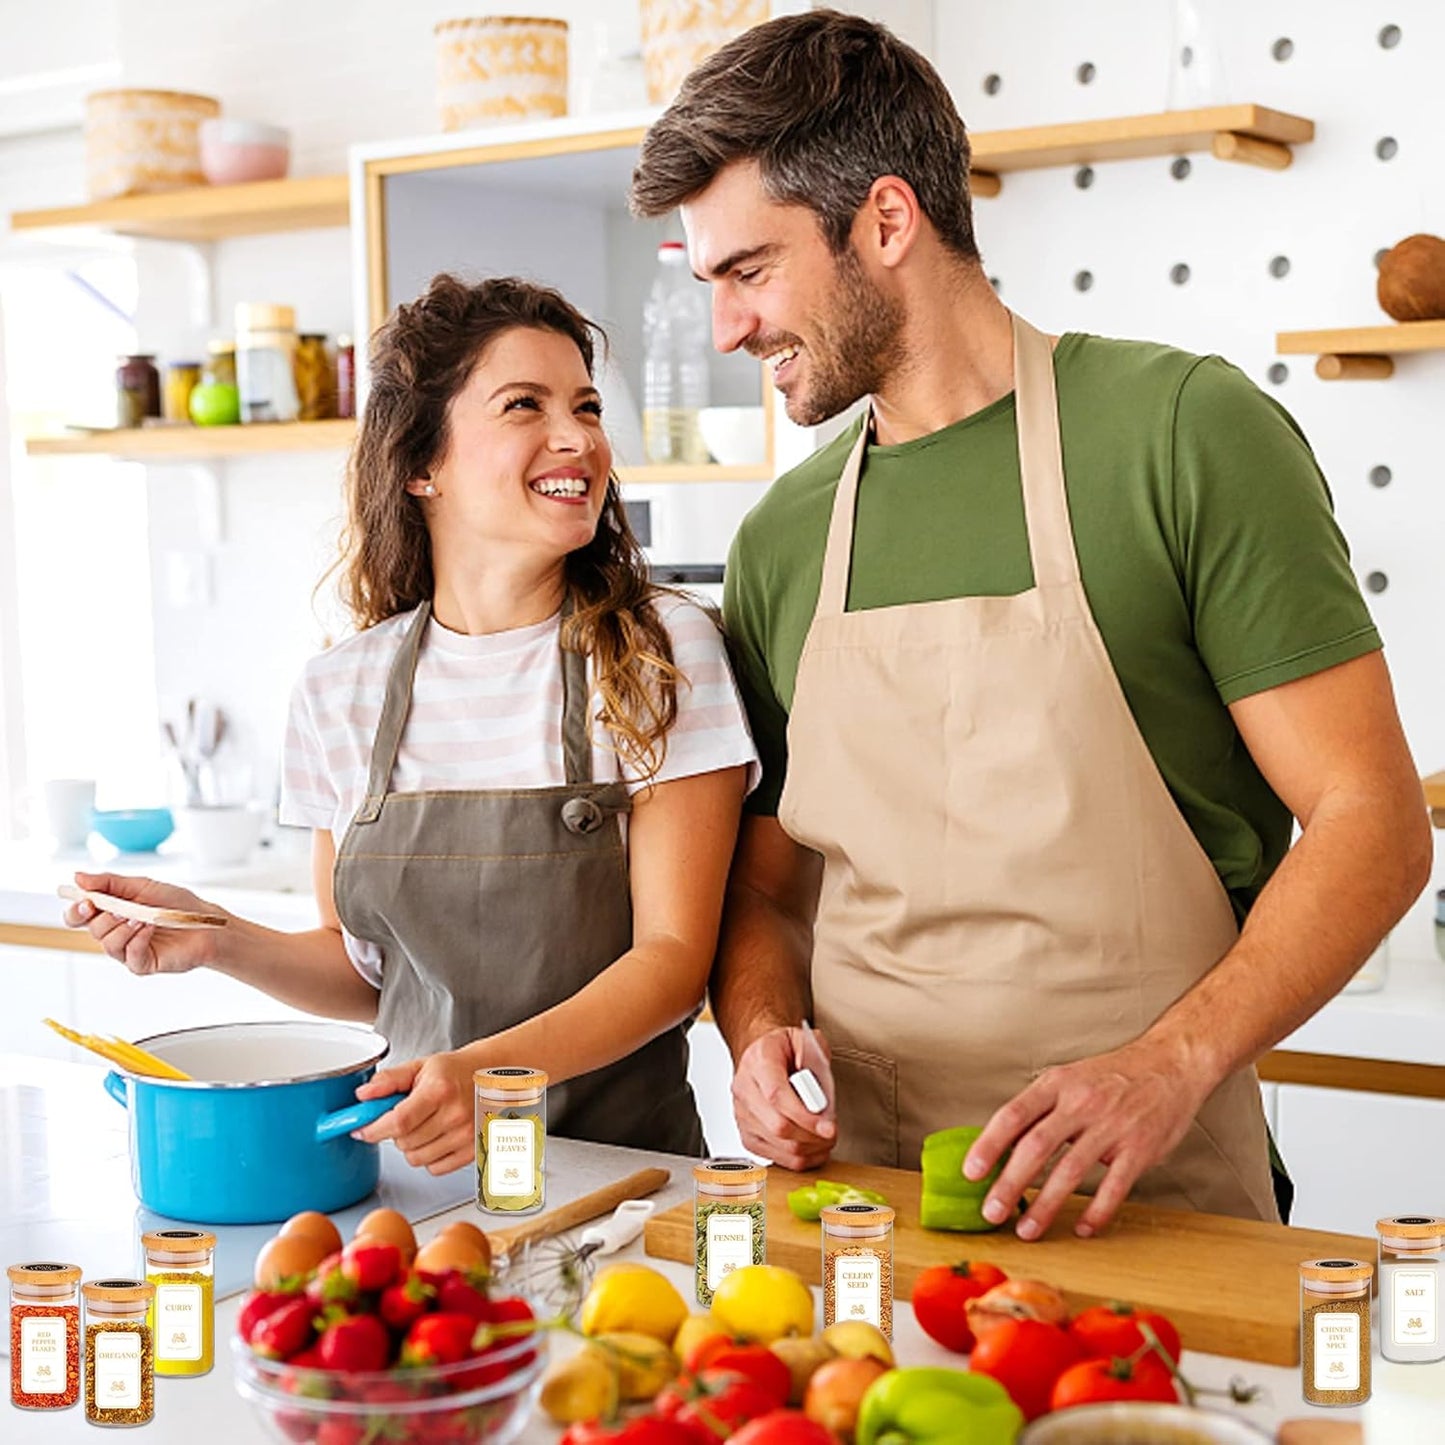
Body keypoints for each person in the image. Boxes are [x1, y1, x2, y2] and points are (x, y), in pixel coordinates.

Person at [629, 10, 1432, 1235]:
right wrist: (753, 1035)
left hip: (1149, 1195)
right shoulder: (782, 538)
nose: (726, 328)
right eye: (709, 285)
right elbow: (771, 891)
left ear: (886, 221)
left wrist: (1166, 1067)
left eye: (748, 271)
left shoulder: (1178, 436)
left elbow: (1368, 821)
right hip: (866, 1209)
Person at [64, 273, 757, 1173]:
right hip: (419, 1178)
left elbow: (672, 961)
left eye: (586, 407)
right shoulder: (339, 691)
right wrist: (216, 937)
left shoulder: (663, 651)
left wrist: (486, 1075)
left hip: (623, 1178)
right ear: (419, 465)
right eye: (525, 405)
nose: (577, 437)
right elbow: (368, 979)